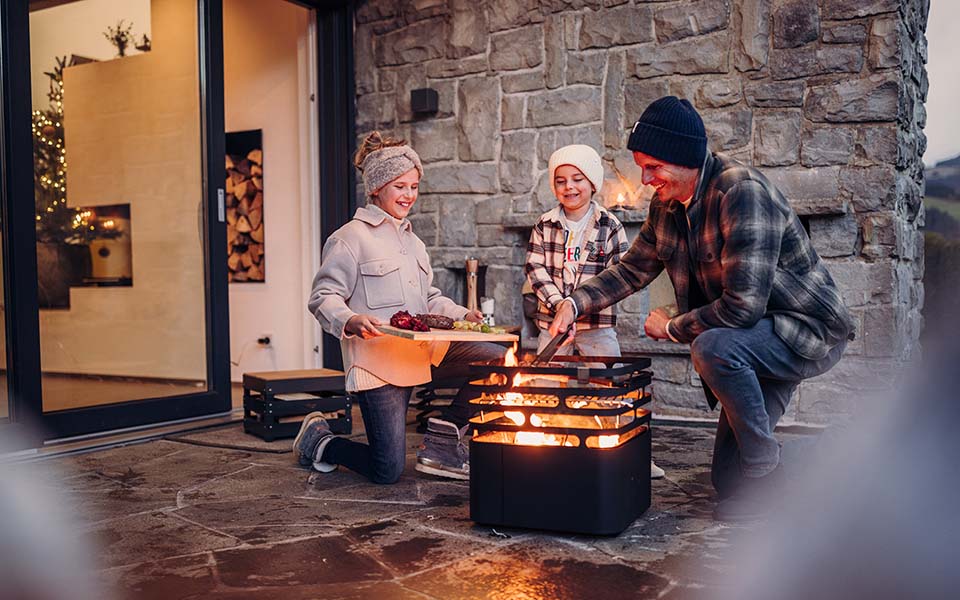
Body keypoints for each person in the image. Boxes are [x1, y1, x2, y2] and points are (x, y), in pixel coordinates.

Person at [549, 97, 855, 521]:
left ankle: (768, 477)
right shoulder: (666, 206)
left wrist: (672, 326)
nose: (645, 178)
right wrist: (574, 302)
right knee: (729, 481)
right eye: (641, 166)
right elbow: (633, 269)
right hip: (748, 340)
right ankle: (837, 452)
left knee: (711, 347)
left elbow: (742, 309)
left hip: (802, 331)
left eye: (653, 166)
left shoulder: (741, 192)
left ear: (685, 157)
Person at [297, 131, 505, 484]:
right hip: (381, 363)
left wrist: (462, 315)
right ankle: (320, 441)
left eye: (414, 186)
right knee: (387, 470)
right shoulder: (349, 238)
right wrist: (350, 319)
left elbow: (430, 300)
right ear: (377, 188)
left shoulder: (414, 242)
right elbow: (323, 296)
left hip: (426, 353)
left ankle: (445, 436)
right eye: (400, 187)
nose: (409, 195)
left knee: (499, 360)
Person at [525, 143, 665, 480]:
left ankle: (628, 448)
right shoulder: (545, 225)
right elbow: (535, 268)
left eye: (577, 179)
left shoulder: (610, 226)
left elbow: (618, 277)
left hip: (597, 326)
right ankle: (549, 445)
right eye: (560, 181)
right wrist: (560, 305)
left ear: (592, 184)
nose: (569, 187)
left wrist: (581, 308)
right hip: (553, 325)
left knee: (610, 386)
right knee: (547, 385)